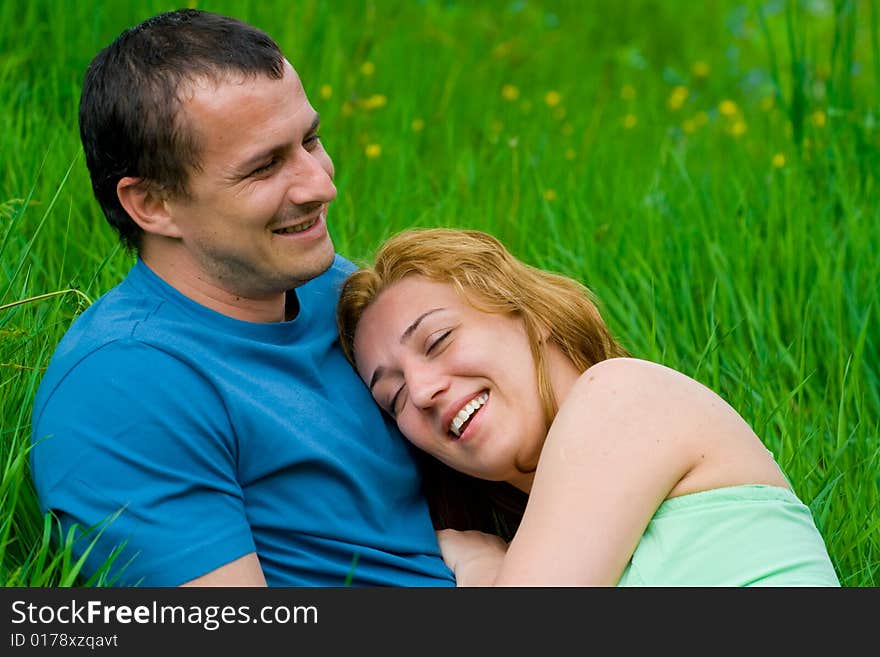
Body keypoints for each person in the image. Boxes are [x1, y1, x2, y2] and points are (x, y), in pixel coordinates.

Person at [29, 9, 454, 587]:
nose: (322, 185)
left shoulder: (347, 297)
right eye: (263, 167)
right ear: (153, 205)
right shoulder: (126, 386)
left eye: (310, 140)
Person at [336, 227, 841, 586]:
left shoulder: (620, 396)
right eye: (394, 397)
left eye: (438, 339)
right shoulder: (543, 539)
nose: (421, 391)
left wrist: (486, 570)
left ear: (531, 317)